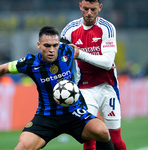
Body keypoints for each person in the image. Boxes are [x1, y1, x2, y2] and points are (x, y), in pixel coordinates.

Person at [0, 26, 114, 150]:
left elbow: (88, 55)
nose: (51, 49)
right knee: (21, 148)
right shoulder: (30, 63)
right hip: (46, 116)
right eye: (47, 45)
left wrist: (106, 66)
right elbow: (3, 68)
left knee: (102, 131)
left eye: (55, 45)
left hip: (74, 112)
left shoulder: (67, 51)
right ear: (39, 45)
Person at [60, 0, 127, 150]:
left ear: (100, 8)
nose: (89, 13)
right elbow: (61, 57)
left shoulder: (107, 28)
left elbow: (107, 62)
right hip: (85, 89)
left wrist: (80, 53)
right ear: (80, 7)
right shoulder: (69, 30)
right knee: (89, 139)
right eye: (85, 9)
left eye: (93, 9)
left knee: (115, 140)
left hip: (107, 87)